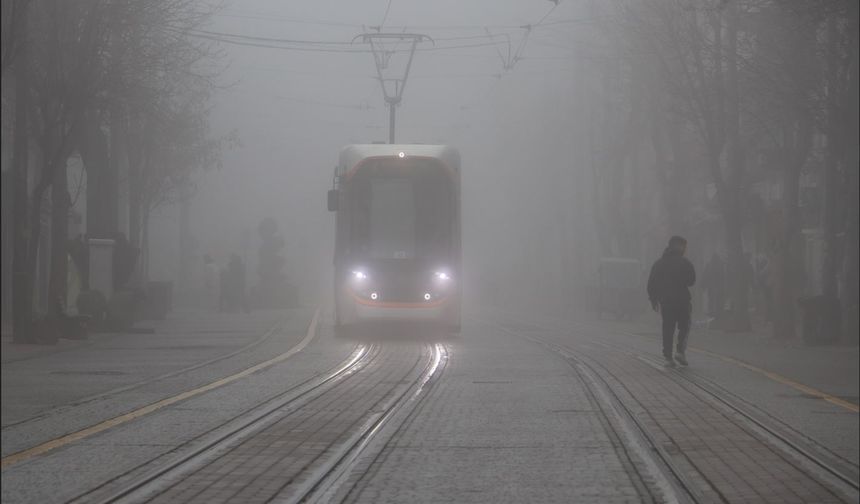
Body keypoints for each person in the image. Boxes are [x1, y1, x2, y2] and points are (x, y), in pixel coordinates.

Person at [647, 236, 696, 367]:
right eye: (684, 246)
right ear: (679, 247)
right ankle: (680, 351)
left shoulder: (659, 263)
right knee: (684, 326)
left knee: (668, 327)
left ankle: (668, 356)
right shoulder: (685, 263)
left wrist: (654, 300)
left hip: (666, 301)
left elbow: (651, 283)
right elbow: (692, 281)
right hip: (683, 300)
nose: (685, 249)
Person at [702, 253, 725, 318]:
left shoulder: (709, 265)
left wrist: (703, 285)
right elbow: (723, 276)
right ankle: (718, 312)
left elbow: (705, 275)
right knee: (717, 299)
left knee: (712, 299)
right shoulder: (721, 265)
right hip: (718, 286)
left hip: (712, 286)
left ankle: (712, 312)